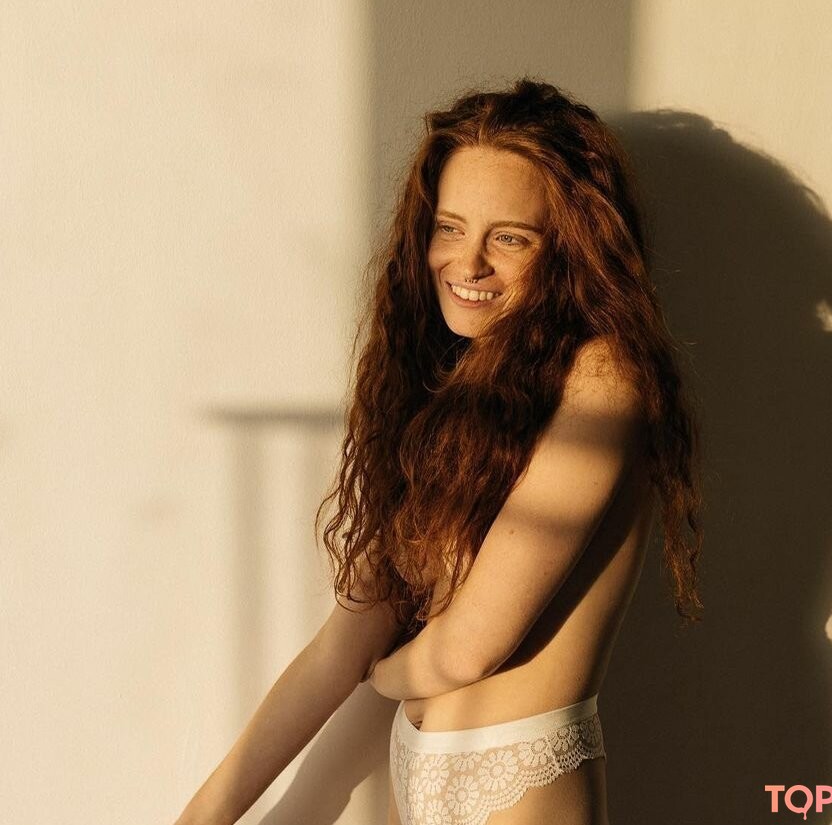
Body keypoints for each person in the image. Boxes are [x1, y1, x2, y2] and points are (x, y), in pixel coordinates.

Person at [173, 79, 703, 825]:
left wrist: (385, 674)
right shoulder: (444, 399)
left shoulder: (602, 376)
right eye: (450, 227)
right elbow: (339, 647)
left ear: (570, 249)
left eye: (510, 237)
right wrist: (203, 814)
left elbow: (467, 650)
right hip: (423, 774)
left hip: (523, 778)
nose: (468, 262)